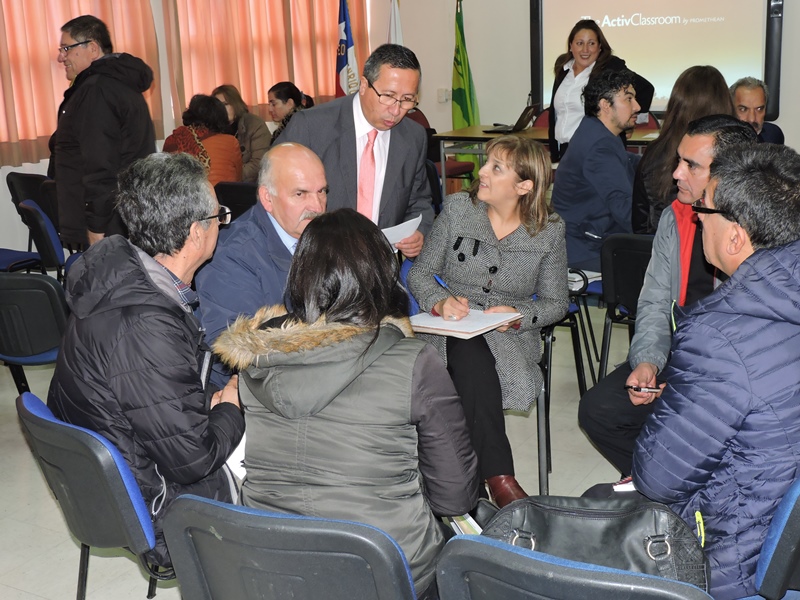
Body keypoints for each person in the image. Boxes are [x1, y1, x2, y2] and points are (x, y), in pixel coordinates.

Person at [213, 208, 478, 599]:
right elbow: (455, 496)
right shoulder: (413, 362)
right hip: (382, 569)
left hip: (270, 565)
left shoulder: (256, 359)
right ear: (380, 274)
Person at [47, 153, 245, 566]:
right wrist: (232, 405)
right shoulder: (143, 324)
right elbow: (194, 459)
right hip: (160, 506)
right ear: (195, 232)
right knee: (298, 467)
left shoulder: (122, 275)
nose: (221, 224)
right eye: (218, 216)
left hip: (134, 462)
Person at [633, 143, 800, 600]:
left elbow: (658, 478)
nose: (697, 216)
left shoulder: (719, 335)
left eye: (704, 210)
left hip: (732, 563)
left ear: (735, 238)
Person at [578, 115, 757, 477]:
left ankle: (679, 486)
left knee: (695, 426)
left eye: (691, 165)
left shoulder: (755, 233)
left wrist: (688, 383)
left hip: (729, 374)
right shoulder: (674, 217)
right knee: (599, 410)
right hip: (680, 355)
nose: (676, 173)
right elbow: (656, 300)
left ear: (729, 175)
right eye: (679, 160)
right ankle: (657, 484)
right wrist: (648, 361)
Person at [408, 135, 568, 508]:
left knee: (469, 363)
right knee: (466, 349)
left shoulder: (549, 230)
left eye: (496, 168)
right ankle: (498, 475)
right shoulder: (458, 209)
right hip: (445, 330)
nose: (482, 172)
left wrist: (518, 317)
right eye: (487, 163)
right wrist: (439, 302)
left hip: (509, 336)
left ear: (524, 186)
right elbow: (420, 274)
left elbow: (556, 303)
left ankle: (463, 484)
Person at [277, 43, 434, 258]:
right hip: (319, 262)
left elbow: (420, 200)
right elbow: (275, 193)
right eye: (387, 96)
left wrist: (419, 231)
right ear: (363, 85)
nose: (396, 110)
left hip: (380, 265)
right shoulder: (311, 127)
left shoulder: (413, 137)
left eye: (407, 100)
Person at [195, 142, 327, 387]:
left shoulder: (326, 234)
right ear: (267, 197)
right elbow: (241, 353)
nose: (317, 206)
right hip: (252, 390)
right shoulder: (231, 256)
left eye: (321, 191)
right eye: (301, 194)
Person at [48, 14, 155, 247]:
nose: (60, 57)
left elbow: (100, 166)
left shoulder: (97, 91)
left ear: (93, 48)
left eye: (66, 48)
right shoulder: (108, 85)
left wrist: (96, 227)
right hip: (119, 216)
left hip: (108, 224)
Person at [550, 69, 640, 271]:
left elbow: (624, 161)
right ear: (605, 105)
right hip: (585, 247)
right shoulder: (600, 145)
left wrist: (656, 163)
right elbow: (624, 209)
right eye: (629, 99)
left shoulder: (597, 130)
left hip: (586, 235)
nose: (637, 106)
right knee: (665, 257)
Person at [632, 66, 735, 233]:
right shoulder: (733, 156)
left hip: (656, 250)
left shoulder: (653, 153)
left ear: (676, 104)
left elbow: (639, 223)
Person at [547, 19, 653, 163]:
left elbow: (645, 89)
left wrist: (628, 122)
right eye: (579, 43)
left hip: (597, 152)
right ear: (571, 46)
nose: (585, 50)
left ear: (600, 47)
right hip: (565, 151)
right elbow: (555, 115)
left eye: (591, 43)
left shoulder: (610, 67)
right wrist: (555, 153)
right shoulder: (563, 69)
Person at [163, 94, 242, 186]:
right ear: (221, 117)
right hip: (222, 198)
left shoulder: (173, 140)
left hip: (185, 198)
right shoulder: (231, 142)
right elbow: (238, 178)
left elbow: (165, 180)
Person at [212, 84, 271, 183]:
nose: (221, 110)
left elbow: (259, 164)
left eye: (225, 104)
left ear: (236, 104)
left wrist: (230, 176)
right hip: (222, 184)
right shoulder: (212, 129)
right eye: (218, 106)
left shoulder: (255, 124)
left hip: (252, 186)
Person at [730, 76, 785, 144]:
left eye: (759, 109)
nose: (752, 119)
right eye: (743, 109)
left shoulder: (773, 135)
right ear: (731, 108)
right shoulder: (718, 141)